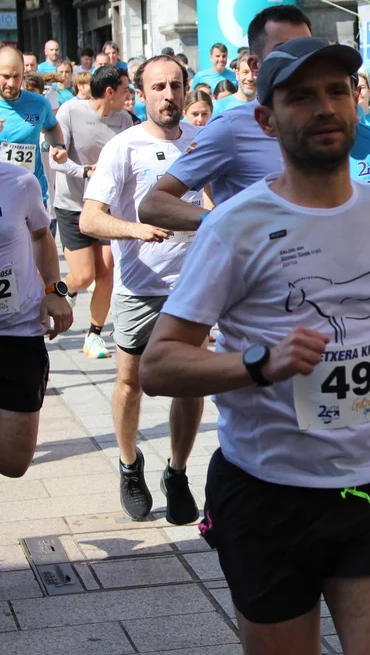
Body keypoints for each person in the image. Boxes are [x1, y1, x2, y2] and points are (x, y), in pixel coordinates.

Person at [138, 36, 370, 655]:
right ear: (267, 120)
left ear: (356, 102)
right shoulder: (234, 225)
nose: (324, 107)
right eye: (301, 97)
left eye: (336, 91)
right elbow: (159, 365)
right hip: (266, 491)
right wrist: (257, 364)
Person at [140, 6, 370, 226]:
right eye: (284, 51)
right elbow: (154, 203)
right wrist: (223, 224)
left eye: (309, 49)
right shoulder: (231, 128)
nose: (301, 59)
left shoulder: (334, 127)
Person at [78, 56, 204, 523]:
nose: (168, 95)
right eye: (158, 87)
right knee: (130, 383)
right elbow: (90, 218)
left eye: (175, 85)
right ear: (140, 94)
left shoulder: (201, 141)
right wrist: (135, 229)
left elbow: (216, 200)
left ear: (186, 89)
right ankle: (130, 466)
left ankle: (178, 471)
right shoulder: (123, 147)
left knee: (190, 383)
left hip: (192, 286)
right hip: (138, 288)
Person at [52, 64, 138, 359]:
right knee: (83, 275)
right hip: (73, 205)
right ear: (110, 92)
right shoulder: (70, 111)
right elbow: (55, 160)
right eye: (125, 89)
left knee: (106, 274)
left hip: (106, 207)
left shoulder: (125, 120)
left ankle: (93, 336)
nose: (129, 95)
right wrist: (85, 172)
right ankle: (55, 295)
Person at [0, 161, 74, 478]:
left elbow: (42, 235)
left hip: (17, 330)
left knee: (14, 463)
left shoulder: (19, 181)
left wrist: (54, 290)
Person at [0, 47, 67, 207]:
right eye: (6, 76)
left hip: (31, 194)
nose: (11, 83)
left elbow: (51, 127)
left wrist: (59, 146)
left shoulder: (39, 103)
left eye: (16, 76)